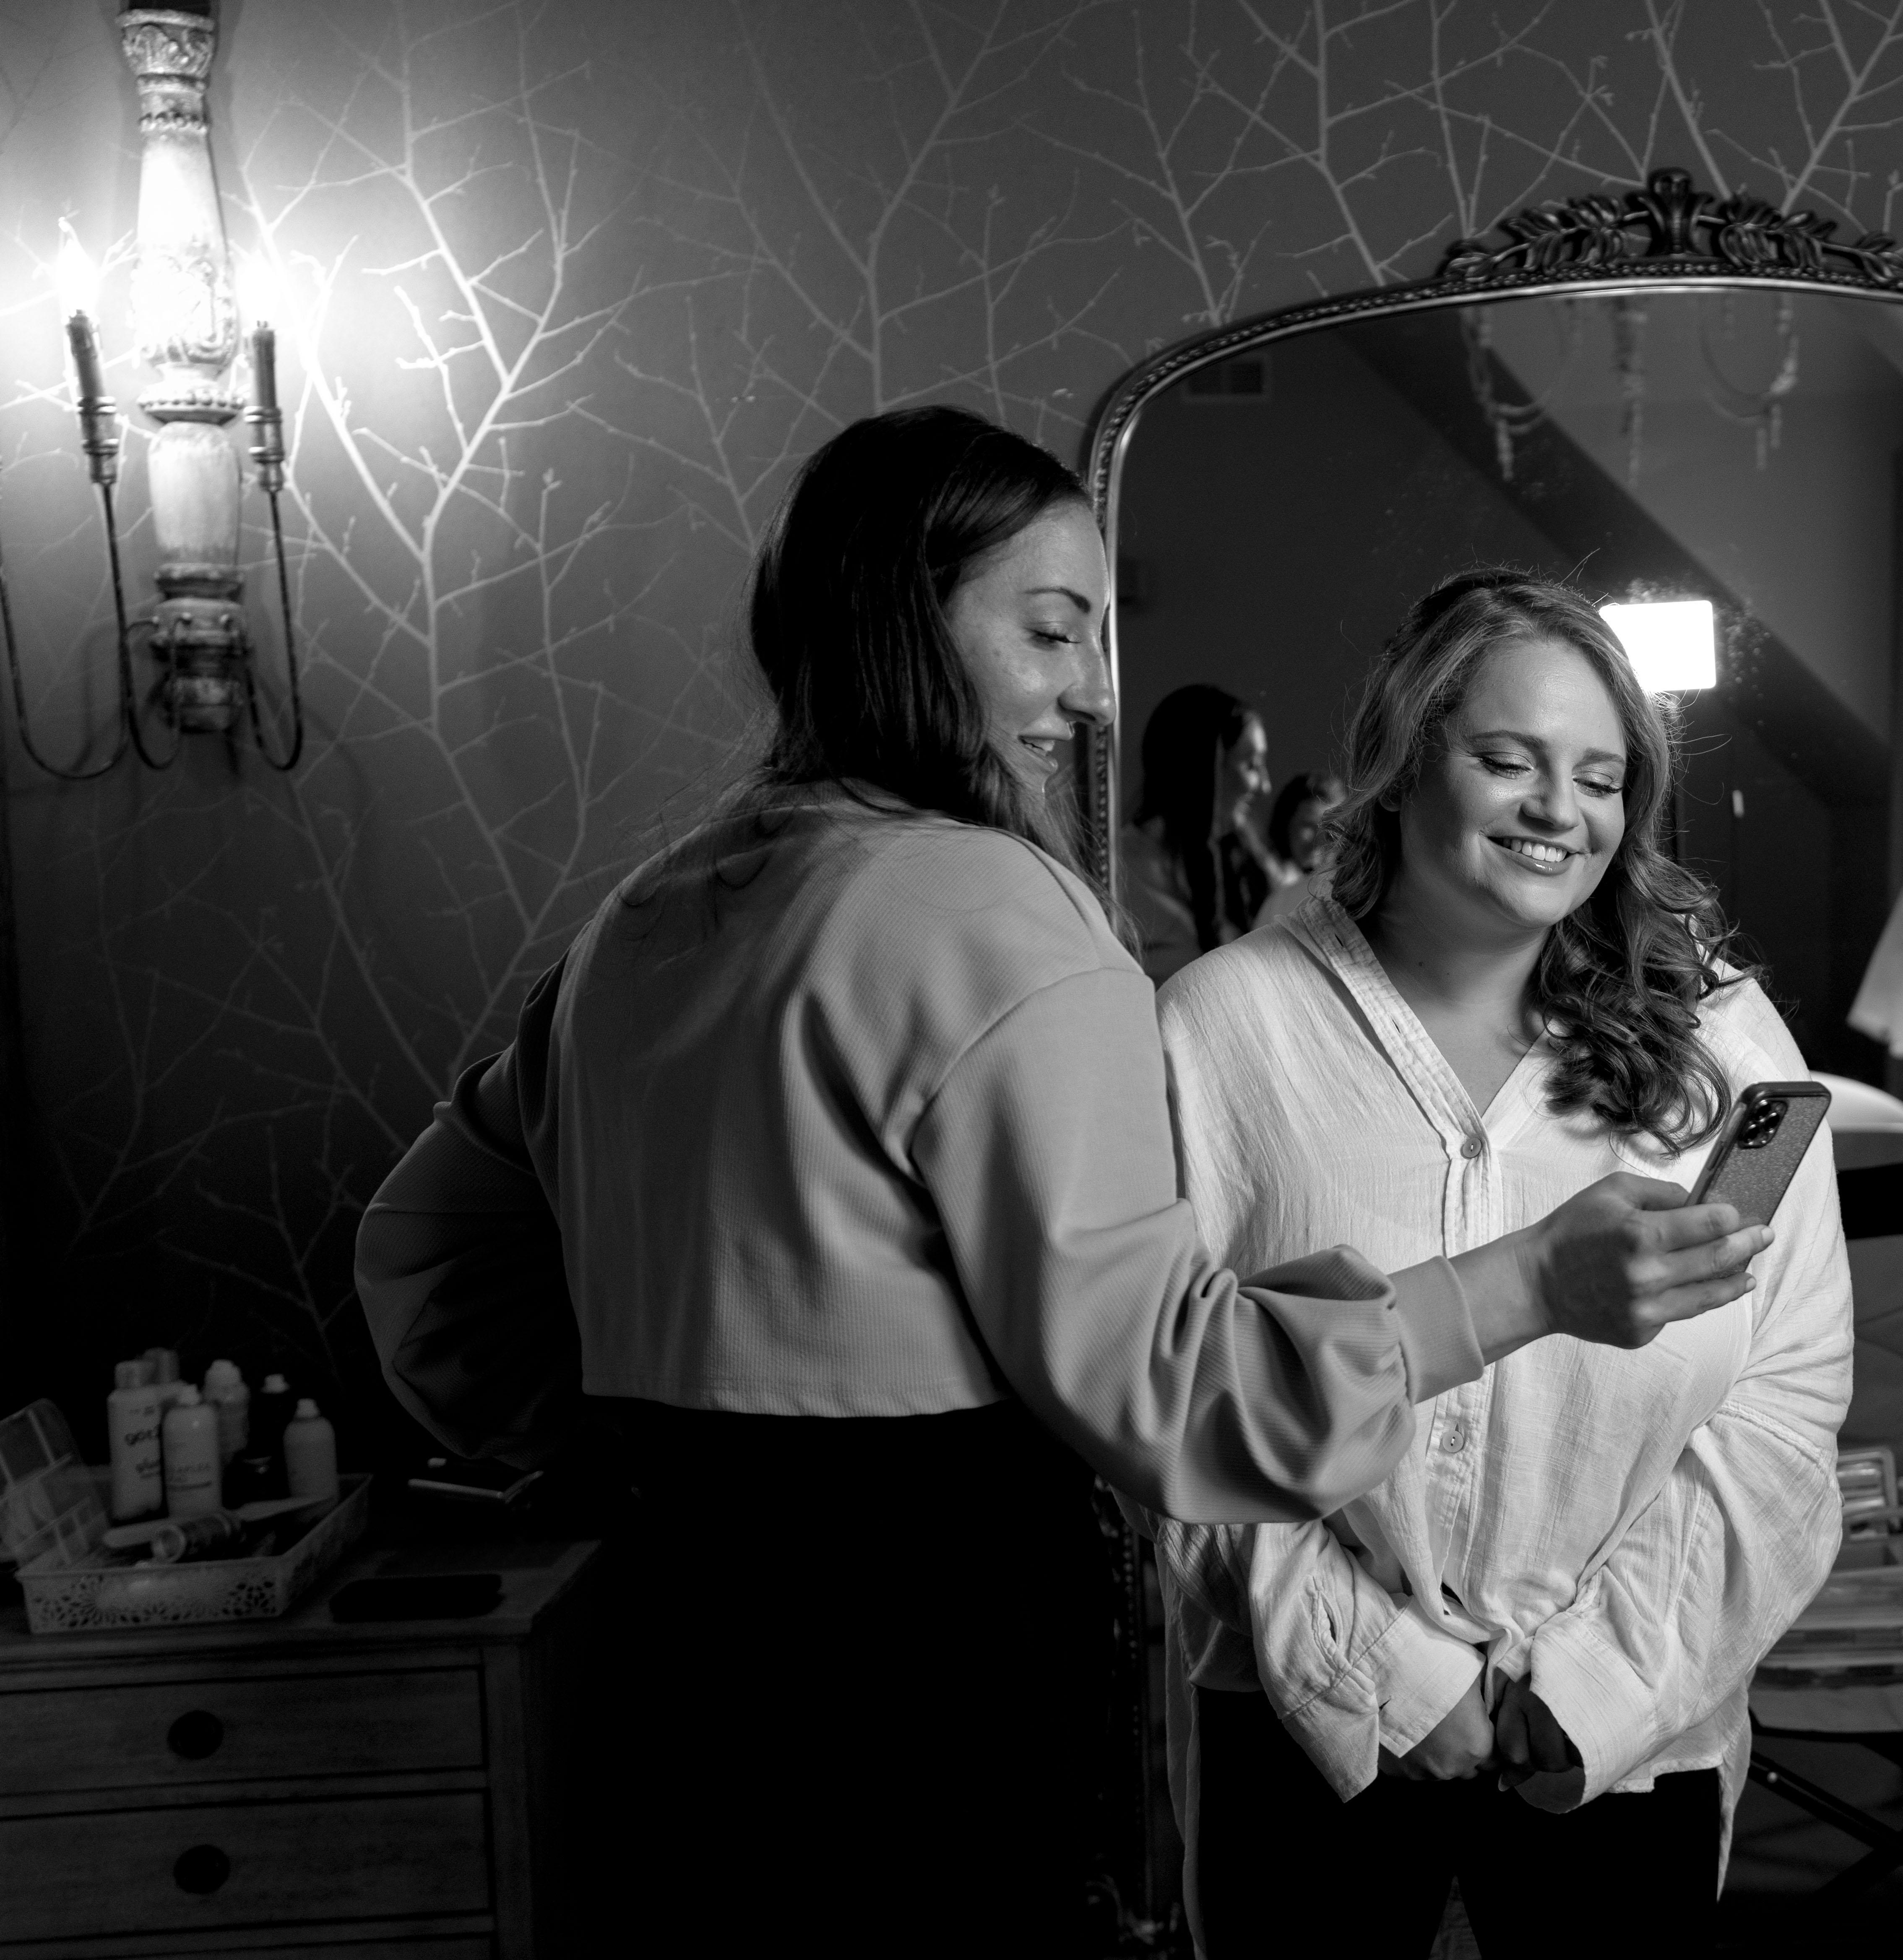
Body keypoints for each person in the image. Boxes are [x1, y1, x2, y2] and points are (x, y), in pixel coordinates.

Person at [349, 416, 1771, 1948]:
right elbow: (1176, 1398)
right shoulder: (999, 918)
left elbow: (425, 1267)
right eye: (1051, 630)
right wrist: (1525, 1283)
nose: (1096, 689)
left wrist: (673, 1457)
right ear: (899, 619)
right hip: (925, 1704)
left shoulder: (641, 919)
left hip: (670, 1676)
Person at [1156, 573, 1853, 1957]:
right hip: (1307, 1732)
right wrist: (1389, 1676)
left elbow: (1786, 1400)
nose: (1559, 810)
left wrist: (1590, 1687)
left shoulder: (1724, 1051)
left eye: (1599, 777)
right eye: (1508, 760)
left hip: (1623, 1741)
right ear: (1406, 760)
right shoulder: (1224, 1030)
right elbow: (1167, 1396)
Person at [1120, 682, 1280, 980]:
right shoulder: (1124, 870)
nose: (1265, 786)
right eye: (1251, 765)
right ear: (1201, 769)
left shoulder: (1251, 863)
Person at [1252, 767, 1345, 932]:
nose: (1320, 840)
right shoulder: (1253, 881)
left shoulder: (1347, 897)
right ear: (1286, 824)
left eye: (1331, 831)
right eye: (1308, 826)